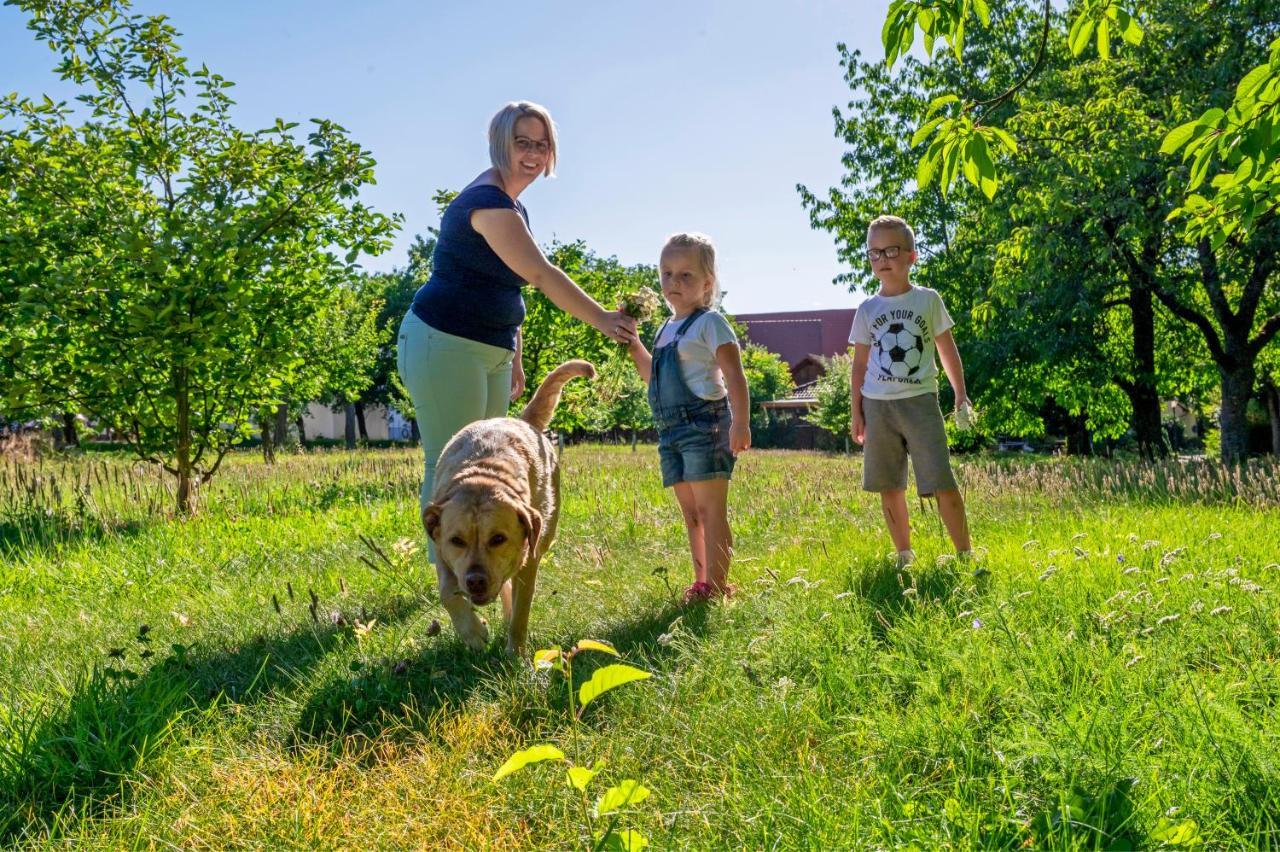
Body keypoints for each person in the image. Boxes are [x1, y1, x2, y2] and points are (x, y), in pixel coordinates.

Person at [397, 101, 637, 559]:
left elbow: (509, 287)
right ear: (499, 145)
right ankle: (447, 580)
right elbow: (541, 275)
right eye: (521, 142)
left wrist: (515, 358)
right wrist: (603, 319)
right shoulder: (488, 203)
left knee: (484, 462)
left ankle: (484, 564)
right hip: (444, 343)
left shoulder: (512, 206)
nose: (532, 153)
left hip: (488, 349)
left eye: (541, 144)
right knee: (450, 464)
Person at [624, 233, 750, 602]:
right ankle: (701, 580)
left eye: (685, 276)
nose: (673, 283)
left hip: (704, 426)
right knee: (692, 512)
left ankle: (718, 585)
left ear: (707, 283)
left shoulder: (710, 323)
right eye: (667, 274)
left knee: (711, 511)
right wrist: (634, 344)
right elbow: (654, 376)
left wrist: (740, 422)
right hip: (671, 432)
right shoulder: (665, 329)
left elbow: (735, 375)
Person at [848, 215, 973, 569]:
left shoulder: (927, 301)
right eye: (874, 253)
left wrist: (959, 392)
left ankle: (965, 554)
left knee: (940, 479)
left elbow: (947, 350)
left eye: (891, 250)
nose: (882, 259)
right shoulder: (867, 310)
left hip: (920, 402)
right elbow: (858, 366)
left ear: (911, 257)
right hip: (878, 405)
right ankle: (904, 555)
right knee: (889, 484)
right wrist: (856, 410)